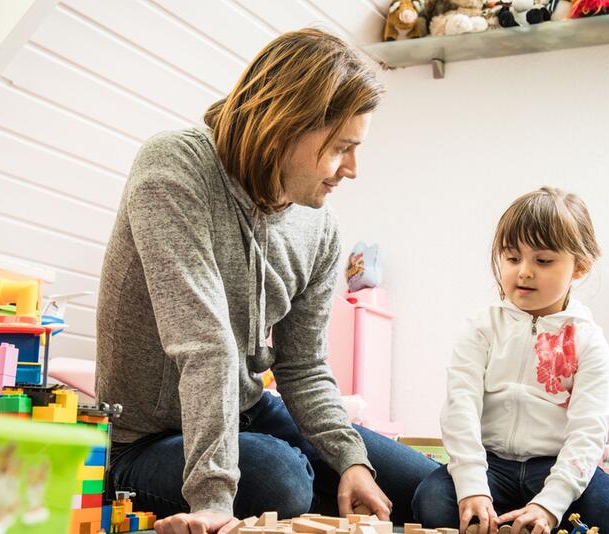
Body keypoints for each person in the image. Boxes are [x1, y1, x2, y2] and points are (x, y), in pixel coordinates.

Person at [95, 28, 438, 534]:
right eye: (342, 147)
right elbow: (204, 343)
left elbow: (303, 364)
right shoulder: (174, 167)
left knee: (434, 492)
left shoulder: (320, 228)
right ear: (286, 126)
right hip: (143, 442)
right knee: (280, 477)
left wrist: (351, 460)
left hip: (250, 412)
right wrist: (213, 501)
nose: (353, 169)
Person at [412, 187, 609, 534]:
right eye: (513, 258)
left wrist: (550, 505)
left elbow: (588, 432)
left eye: (543, 261)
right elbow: (460, 409)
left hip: (556, 466)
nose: (524, 272)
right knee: (431, 501)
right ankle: (510, 513)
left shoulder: (588, 340)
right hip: (491, 464)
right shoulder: (481, 328)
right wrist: (472, 486)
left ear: (580, 266)